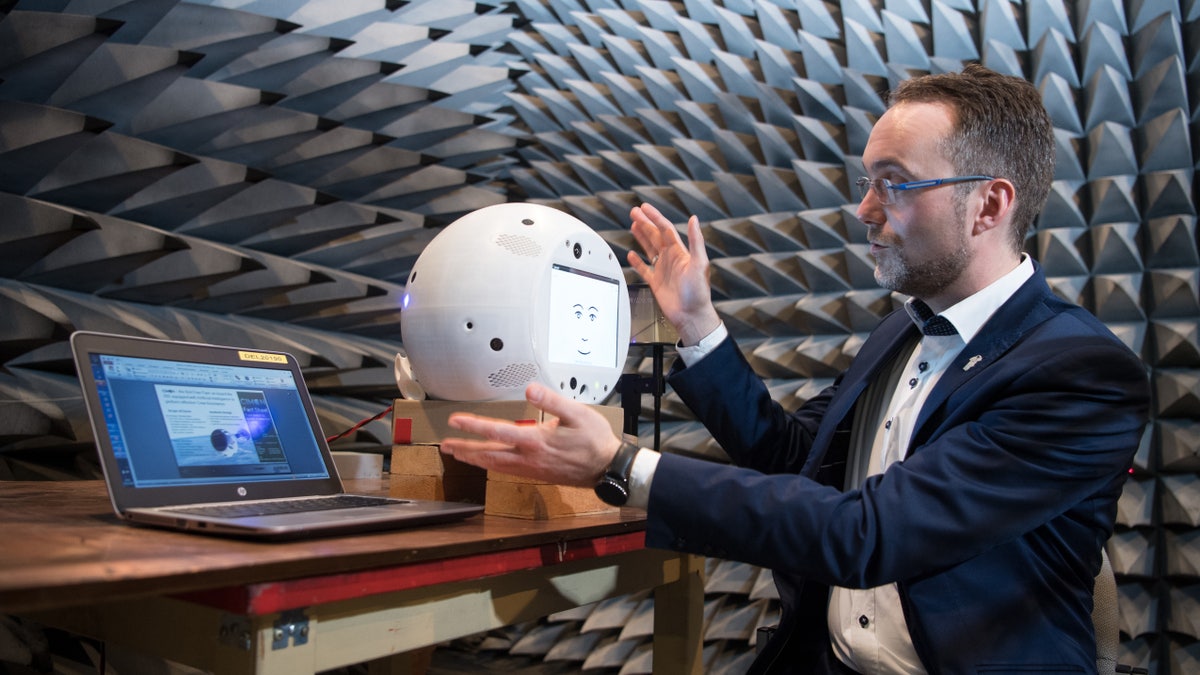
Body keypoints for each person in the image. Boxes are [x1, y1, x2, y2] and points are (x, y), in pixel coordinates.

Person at [439, 63, 1151, 674]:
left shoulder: (1081, 375)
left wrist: (625, 464)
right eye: (867, 180)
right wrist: (697, 326)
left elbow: (866, 535)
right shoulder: (898, 334)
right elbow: (790, 460)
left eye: (893, 182)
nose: (863, 208)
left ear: (988, 204)